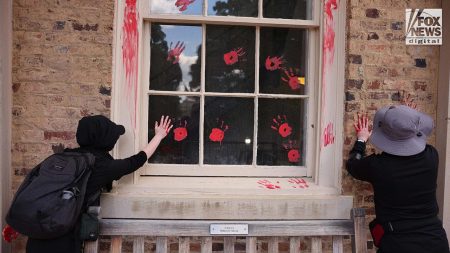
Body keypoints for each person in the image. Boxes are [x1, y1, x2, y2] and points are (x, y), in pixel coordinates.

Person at [25, 114, 173, 253]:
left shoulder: (63, 157)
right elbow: (136, 160)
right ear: (104, 139)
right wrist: (159, 135)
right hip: (62, 240)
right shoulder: (100, 165)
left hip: (36, 235)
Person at [347, 105, 449, 253]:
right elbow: (418, 140)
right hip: (435, 241)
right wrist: (406, 122)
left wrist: (361, 140)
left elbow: (353, 165)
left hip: (398, 244)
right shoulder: (432, 156)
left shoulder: (378, 166)